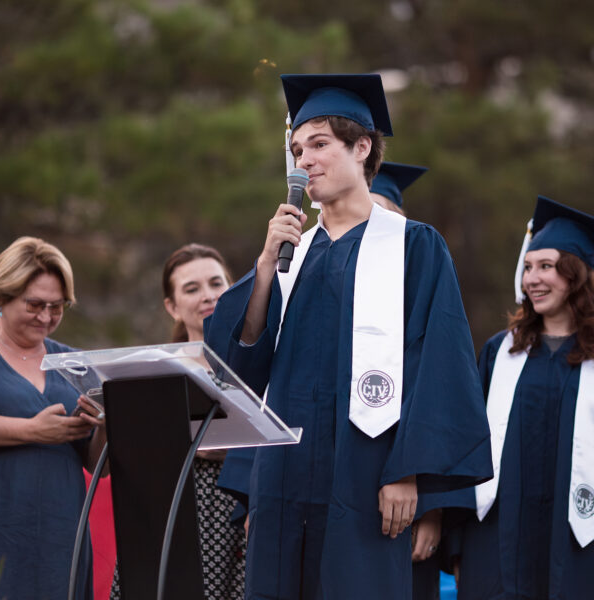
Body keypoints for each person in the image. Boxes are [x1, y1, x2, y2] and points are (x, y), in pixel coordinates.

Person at [205, 73, 493, 600]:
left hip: (364, 473)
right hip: (285, 474)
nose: (304, 161)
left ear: (362, 147)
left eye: (319, 145)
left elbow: (439, 363)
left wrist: (409, 474)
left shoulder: (414, 246)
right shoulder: (290, 254)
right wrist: (266, 265)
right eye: (296, 150)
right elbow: (241, 366)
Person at [447, 196, 594, 599]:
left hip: (579, 539)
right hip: (495, 539)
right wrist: (457, 544)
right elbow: (466, 445)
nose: (532, 279)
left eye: (546, 266)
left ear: (576, 275)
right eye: (528, 267)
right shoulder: (501, 353)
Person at [108, 242, 246, 600]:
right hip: (169, 509)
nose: (207, 295)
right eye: (191, 288)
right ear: (171, 306)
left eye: (217, 283)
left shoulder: (255, 360)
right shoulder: (154, 369)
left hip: (240, 509)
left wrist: (228, 449)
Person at [0, 236, 107, 600]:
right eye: (34, 304)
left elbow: (98, 465)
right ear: (3, 297)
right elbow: (40, 431)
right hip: (3, 522)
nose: (45, 317)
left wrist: (106, 427)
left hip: (62, 532)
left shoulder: (76, 364)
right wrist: (33, 431)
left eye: (57, 307)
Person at [370, 161, 445, 600]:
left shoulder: (425, 291)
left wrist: (433, 511)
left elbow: (441, 400)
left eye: (381, 215)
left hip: (407, 494)